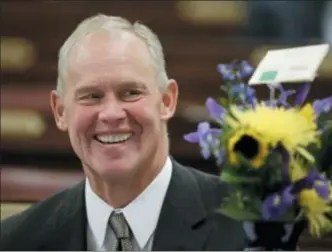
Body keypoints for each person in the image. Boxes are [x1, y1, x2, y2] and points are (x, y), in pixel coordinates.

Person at [0, 14, 301, 251]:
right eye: (91, 96)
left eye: (130, 93)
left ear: (167, 100)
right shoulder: (16, 241)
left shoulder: (253, 226)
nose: (111, 114)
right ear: (60, 111)